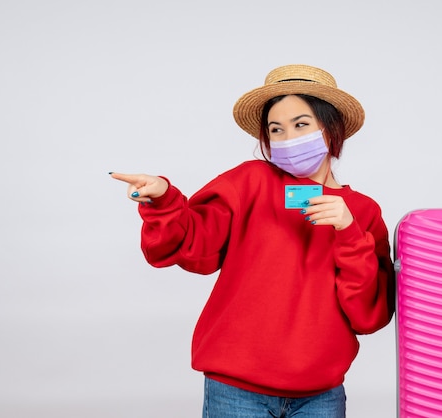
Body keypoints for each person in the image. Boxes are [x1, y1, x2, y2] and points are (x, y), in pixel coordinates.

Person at [111, 64, 395, 418]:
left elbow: (369, 315)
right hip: (236, 389)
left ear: (331, 127)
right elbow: (194, 244)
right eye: (276, 129)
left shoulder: (362, 211)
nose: (288, 138)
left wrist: (349, 232)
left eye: (301, 124)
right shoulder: (249, 182)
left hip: (321, 394)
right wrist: (165, 199)